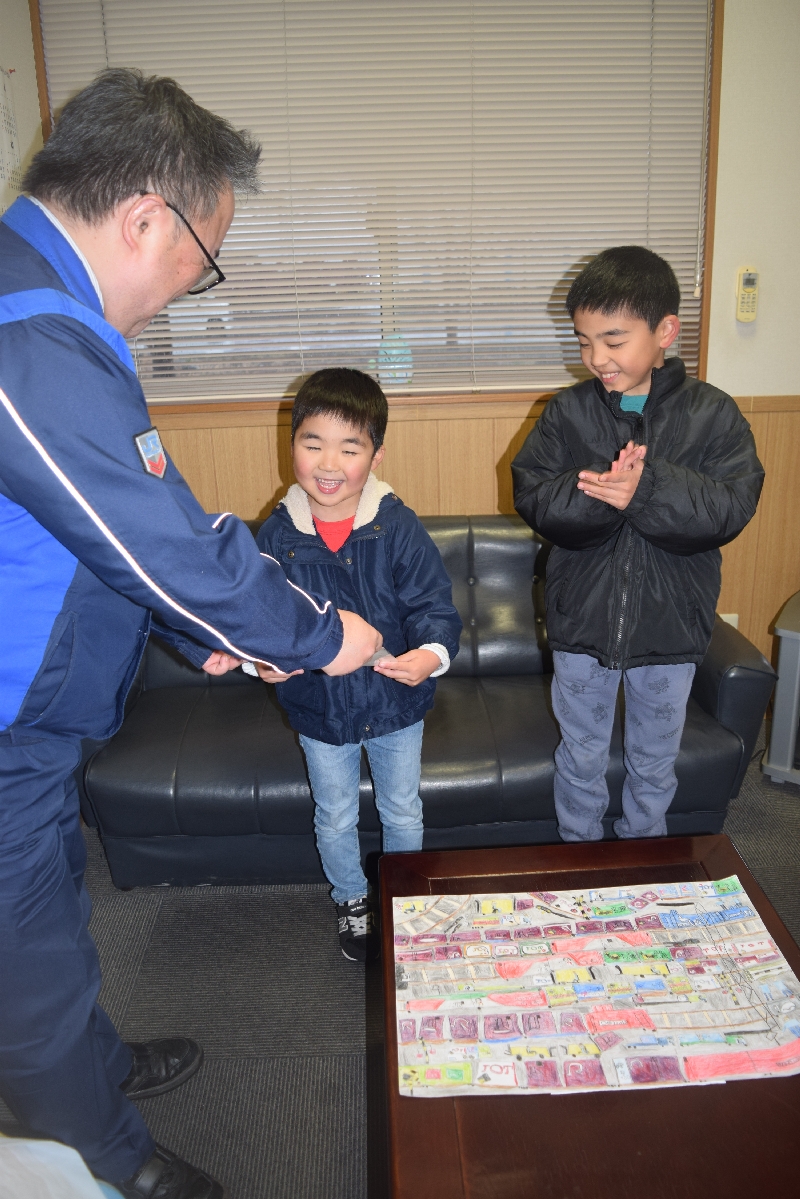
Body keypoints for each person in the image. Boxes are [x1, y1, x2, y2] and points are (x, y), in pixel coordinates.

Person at [0, 70, 382, 1199]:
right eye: (200, 262)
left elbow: (100, 539)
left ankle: (92, 1068)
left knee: (51, 914)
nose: (185, 289)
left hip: (34, 716)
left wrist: (197, 636)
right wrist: (318, 635)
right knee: (27, 957)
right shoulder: (24, 335)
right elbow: (166, 542)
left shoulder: (46, 307)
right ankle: (105, 1163)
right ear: (145, 219)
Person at [512, 246, 764, 844]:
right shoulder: (566, 413)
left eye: (614, 339)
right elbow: (536, 498)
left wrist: (645, 489)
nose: (596, 358)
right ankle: (580, 860)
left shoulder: (714, 414)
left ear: (665, 331)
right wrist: (603, 495)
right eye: (583, 341)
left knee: (654, 762)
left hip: (670, 629)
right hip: (582, 626)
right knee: (580, 757)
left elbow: (730, 507)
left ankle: (642, 859)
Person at [255, 369, 462, 961]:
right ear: (290, 445)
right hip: (319, 710)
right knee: (335, 813)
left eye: (350, 447)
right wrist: (263, 665)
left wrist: (431, 655)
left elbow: (433, 607)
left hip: (396, 704)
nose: (329, 462)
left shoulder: (396, 526)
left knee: (402, 809)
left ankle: (406, 900)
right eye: (312, 442)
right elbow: (260, 623)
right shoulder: (276, 535)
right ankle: (351, 900)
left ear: (375, 455)